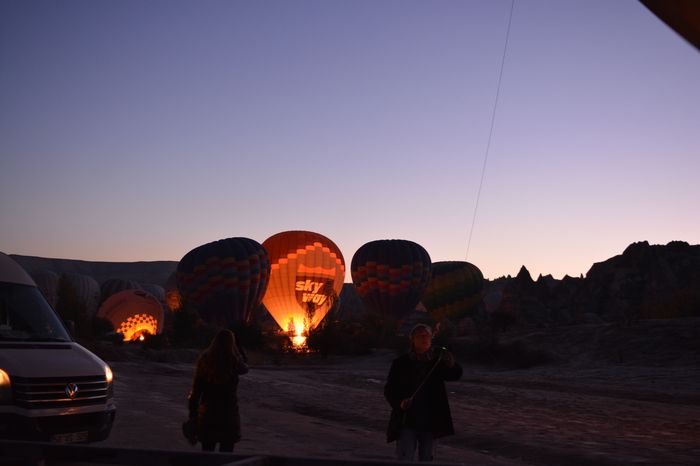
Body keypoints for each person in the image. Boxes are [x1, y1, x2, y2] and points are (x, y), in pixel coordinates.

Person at [384, 323, 462, 462]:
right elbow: (390, 390)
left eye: (427, 336)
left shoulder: (438, 361)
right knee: (405, 458)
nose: (424, 339)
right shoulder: (400, 363)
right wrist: (399, 403)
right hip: (407, 421)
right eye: (420, 336)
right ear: (412, 339)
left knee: (427, 459)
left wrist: (452, 365)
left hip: (431, 421)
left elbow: (454, 375)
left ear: (431, 338)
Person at [188, 329, 248, 452]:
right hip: (228, 415)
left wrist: (193, 415)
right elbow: (245, 368)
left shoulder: (205, 360)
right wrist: (238, 349)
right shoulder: (233, 362)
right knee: (226, 454)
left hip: (208, 414)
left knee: (207, 452)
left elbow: (196, 392)